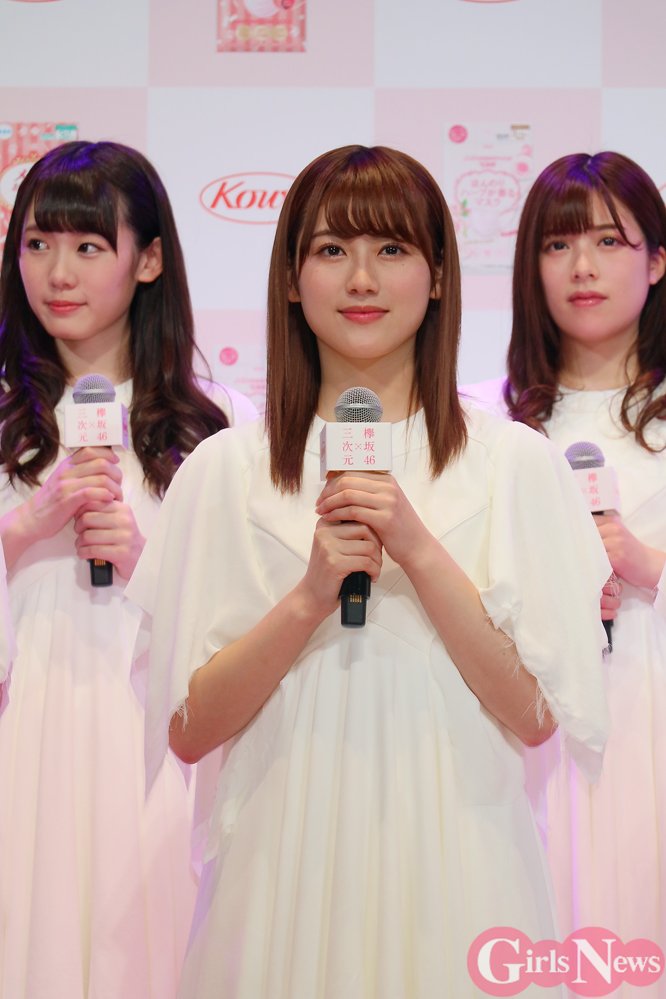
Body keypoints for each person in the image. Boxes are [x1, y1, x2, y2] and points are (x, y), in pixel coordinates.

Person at [128, 145, 610, 999]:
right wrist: (309, 598)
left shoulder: (513, 463)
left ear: (438, 277)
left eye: (391, 248)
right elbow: (189, 730)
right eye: (331, 249)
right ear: (290, 278)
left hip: (460, 860)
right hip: (282, 868)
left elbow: (536, 717)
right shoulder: (226, 469)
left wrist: (418, 549)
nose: (361, 278)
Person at [0, 140, 257, 999]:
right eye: (37, 243)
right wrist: (23, 527)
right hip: (25, 732)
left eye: (87, 245)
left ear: (148, 260)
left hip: (158, 739)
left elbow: (253, 610)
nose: (57, 272)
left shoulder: (219, 428)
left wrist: (147, 562)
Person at [468, 151, 666, 975]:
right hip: (525, 726)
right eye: (557, 245)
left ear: (657, 261)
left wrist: (643, 563)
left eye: (609, 241)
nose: (582, 266)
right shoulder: (482, 418)